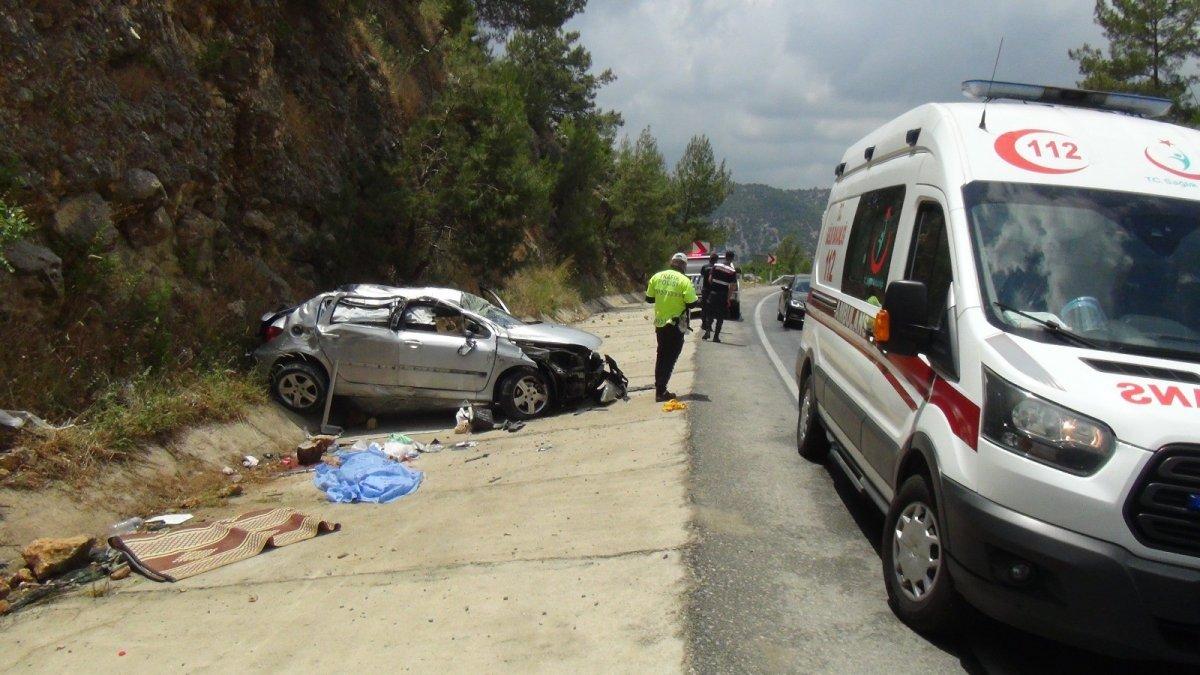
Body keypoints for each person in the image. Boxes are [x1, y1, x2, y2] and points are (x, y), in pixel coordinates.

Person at [646, 252, 699, 402]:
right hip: (675, 326)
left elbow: (649, 299)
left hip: (660, 324)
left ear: (672, 262)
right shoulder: (684, 281)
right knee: (670, 358)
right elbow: (692, 303)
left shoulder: (657, 277)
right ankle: (661, 391)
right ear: (684, 266)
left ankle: (659, 388)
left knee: (661, 355)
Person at [703, 251, 739, 343]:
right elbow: (732, 286)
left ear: (725, 257)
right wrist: (728, 298)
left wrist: (714, 286)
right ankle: (716, 337)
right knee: (720, 316)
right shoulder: (732, 271)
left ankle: (707, 331)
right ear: (732, 258)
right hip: (723, 295)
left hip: (713, 293)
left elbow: (710, 279)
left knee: (710, 313)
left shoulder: (716, 266)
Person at [699, 252, 719, 337]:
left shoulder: (704, 267)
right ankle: (709, 325)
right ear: (716, 260)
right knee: (711, 309)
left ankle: (704, 324)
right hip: (713, 291)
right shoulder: (717, 268)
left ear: (709, 259)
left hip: (705, 289)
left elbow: (702, 275)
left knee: (704, 308)